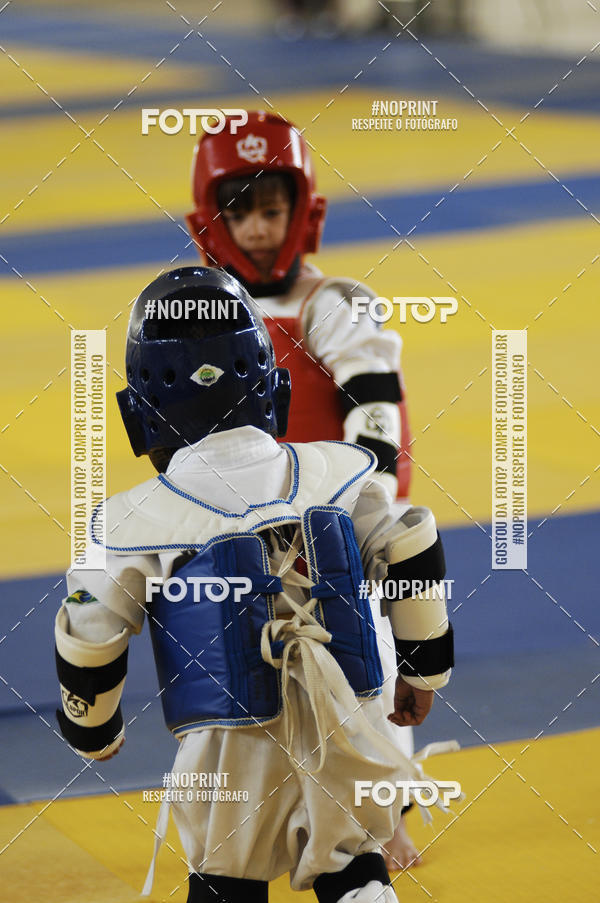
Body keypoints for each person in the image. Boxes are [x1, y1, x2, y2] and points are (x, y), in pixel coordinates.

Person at [55, 267, 455, 902]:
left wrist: (93, 730)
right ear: (274, 386)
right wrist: (422, 669)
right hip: (347, 724)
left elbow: (89, 633)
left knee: (226, 877)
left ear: (139, 414)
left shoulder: (132, 523)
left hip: (227, 754)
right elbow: (410, 545)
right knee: (354, 864)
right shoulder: (339, 474)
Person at [186, 111, 419, 868]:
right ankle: (247, 818)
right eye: (241, 211)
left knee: (364, 661)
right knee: (240, 667)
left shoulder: (333, 300)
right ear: (212, 218)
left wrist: (365, 498)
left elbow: (375, 399)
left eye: (272, 208)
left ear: (302, 211)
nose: (258, 227)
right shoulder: (199, 310)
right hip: (242, 520)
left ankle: (385, 815)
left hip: (333, 515)